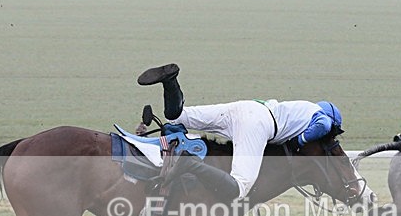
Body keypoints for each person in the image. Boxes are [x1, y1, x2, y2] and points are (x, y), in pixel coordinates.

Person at [136, 63, 343, 202]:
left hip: (244, 108)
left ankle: (171, 82)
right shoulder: (319, 115)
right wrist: (301, 140)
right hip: (258, 123)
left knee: (178, 117)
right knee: (240, 188)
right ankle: (189, 163)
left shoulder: (301, 107)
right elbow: (324, 126)